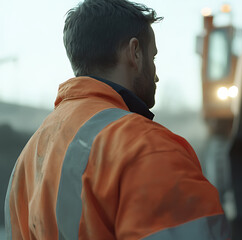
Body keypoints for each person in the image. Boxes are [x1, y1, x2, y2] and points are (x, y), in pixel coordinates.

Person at [4, 0, 230, 239]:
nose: (157, 76)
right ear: (134, 53)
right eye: (153, 58)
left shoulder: (26, 160)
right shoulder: (147, 147)